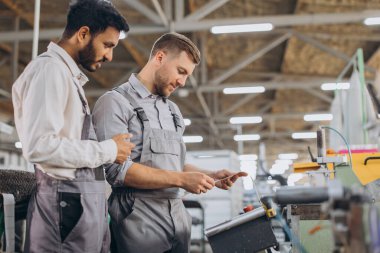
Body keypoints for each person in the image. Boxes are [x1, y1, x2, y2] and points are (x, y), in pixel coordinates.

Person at [92, 32, 247, 253]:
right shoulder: (115, 103)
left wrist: (210, 176)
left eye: (187, 76)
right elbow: (117, 171)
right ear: (160, 58)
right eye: (181, 71)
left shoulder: (172, 111)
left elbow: (175, 165)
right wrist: (182, 180)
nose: (183, 82)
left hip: (177, 219)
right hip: (137, 221)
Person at [12, 0, 134, 252]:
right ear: (83, 34)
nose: (110, 55)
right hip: (64, 209)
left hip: (76, 207)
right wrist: (108, 150)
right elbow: (40, 147)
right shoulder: (49, 71)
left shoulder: (66, 75)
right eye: (107, 45)